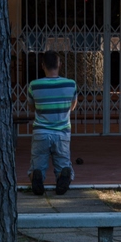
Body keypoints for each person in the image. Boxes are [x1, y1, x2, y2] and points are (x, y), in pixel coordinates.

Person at [27, 50, 77, 195]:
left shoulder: (34, 85)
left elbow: (32, 107)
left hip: (41, 132)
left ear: (43, 65)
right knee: (63, 162)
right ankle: (63, 175)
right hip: (62, 133)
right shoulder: (70, 84)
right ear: (59, 64)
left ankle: (36, 175)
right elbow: (72, 106)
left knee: (37, 163)